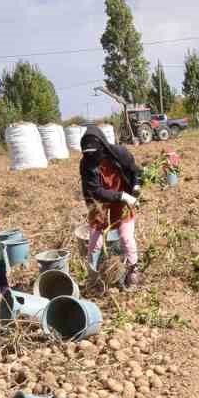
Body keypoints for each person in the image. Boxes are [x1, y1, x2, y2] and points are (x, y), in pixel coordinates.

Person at [78, 124, 143, 290]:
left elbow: (135, 171)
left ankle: (133, 271)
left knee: (126, 237)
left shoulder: (119, 154)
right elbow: (95, 191)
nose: (92, 158)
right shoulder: (86, 164)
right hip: (99, 202)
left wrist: (135, 187)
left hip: (122, 201)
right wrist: (121, 195)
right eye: (88, 155)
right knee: (95, 241)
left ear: (102, 146)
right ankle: (92, 277)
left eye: (95, 154)